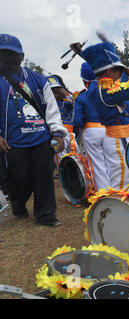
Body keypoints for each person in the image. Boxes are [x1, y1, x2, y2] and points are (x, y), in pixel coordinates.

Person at [0, 34, 67, 227]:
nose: (8, 60)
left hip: (41, 138)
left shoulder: (38, 81)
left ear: (21, 56)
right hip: (13, 142)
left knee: (44, 177)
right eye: (3, 55)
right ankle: (18, 205)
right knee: (20, 180)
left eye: (12, 55)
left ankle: (46, 215)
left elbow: (52, 109)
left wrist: (57, 134)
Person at [71, 36, 129, 190]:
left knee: (126, 177)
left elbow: (97, 67)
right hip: (117, 139)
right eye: (119, 70)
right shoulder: (107, 92)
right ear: (109, 71)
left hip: (119, 137)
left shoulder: (98, 88)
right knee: (122, 181)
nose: (122, 74)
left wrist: (84, 54)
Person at [73, 62, 110, 192]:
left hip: (91, 131)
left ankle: (104, 195)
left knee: (97, 166)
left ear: (84, 81)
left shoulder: (82, 96)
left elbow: (77, 121)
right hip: (109, 130)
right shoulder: (108, 92)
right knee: (111, 162)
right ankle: (117, 191)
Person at [47, 75, 79, 165]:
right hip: (55, 136)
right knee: (60, 161)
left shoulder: (66, 102)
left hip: (70, 135)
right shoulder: (45, 105)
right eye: (52, 91)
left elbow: (76, 101)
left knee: (76, 159)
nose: (55, 94)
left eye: (57, 91)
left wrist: (63, 91)